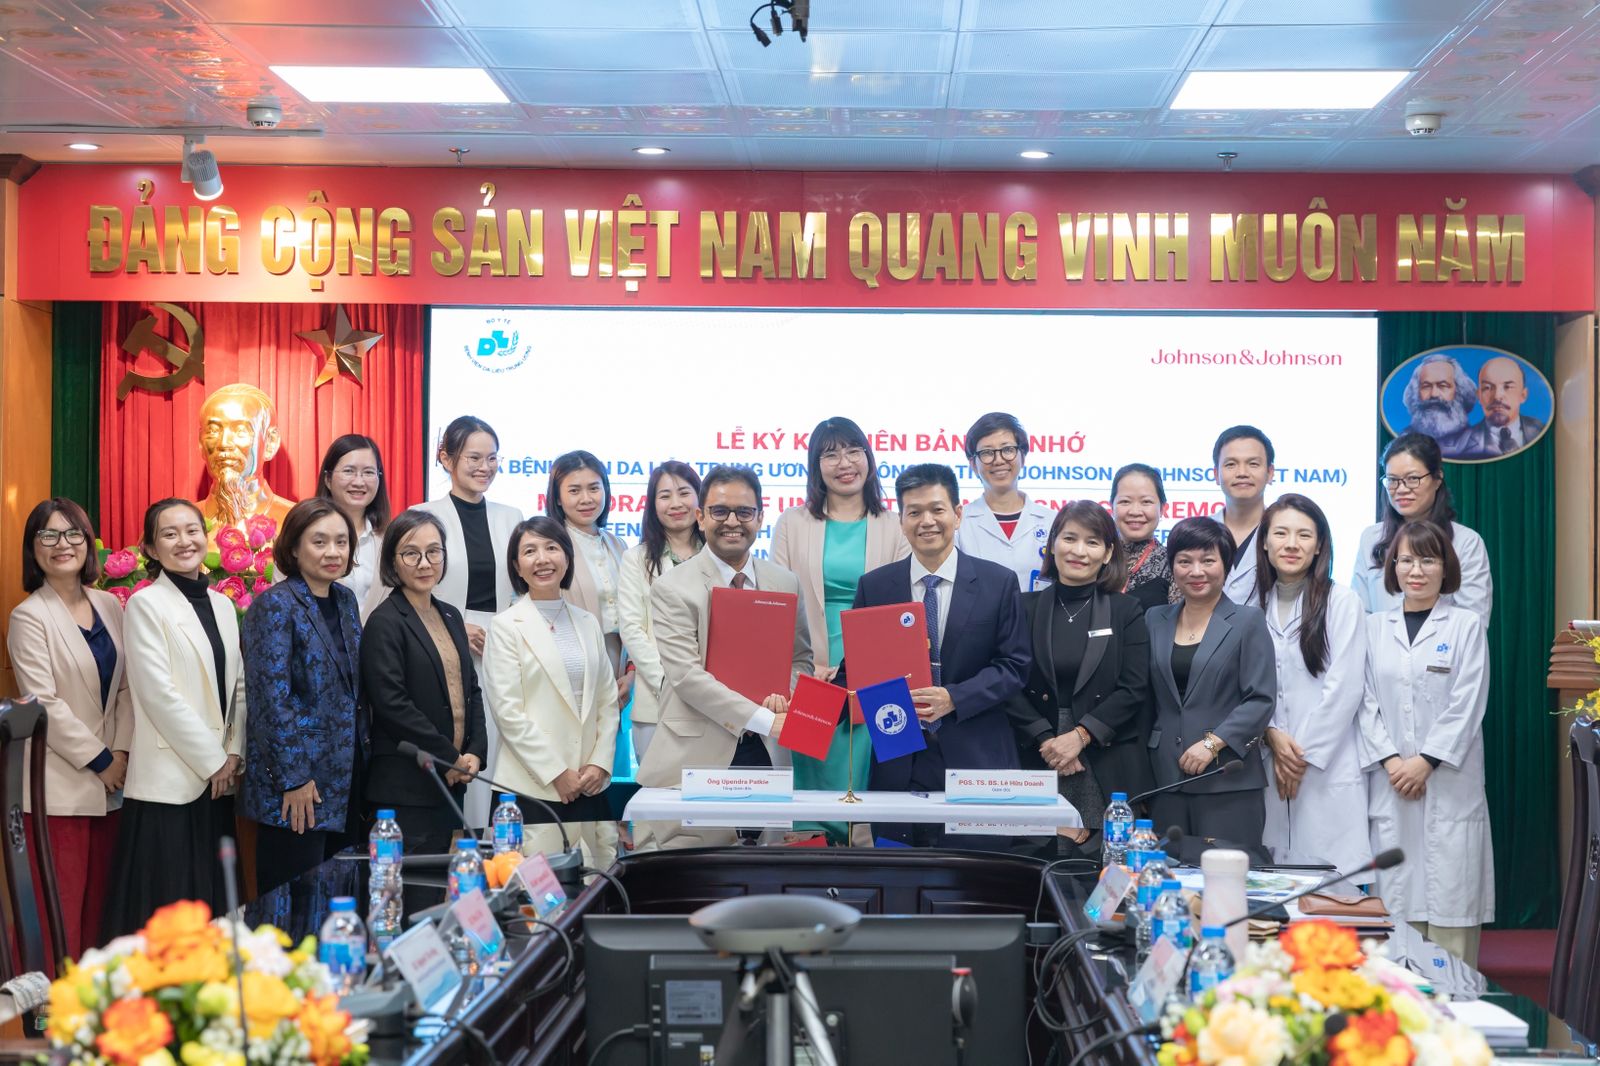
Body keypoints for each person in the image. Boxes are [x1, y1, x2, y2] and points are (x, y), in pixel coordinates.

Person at [840, 464, 1030, 847]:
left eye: (937, 509)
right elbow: (855, 673)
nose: (926, 521)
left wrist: (953, 698)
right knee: (900, 875)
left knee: (977, 874)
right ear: (901, 521)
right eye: (914, 512)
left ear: (957, 514)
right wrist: (812, 702)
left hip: (975, 759)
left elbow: (1014, 667)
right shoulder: (875, 587)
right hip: (898, 760)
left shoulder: (998, 583)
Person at [634, 466, 812, 850]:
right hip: (697, 754)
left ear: (760, 518)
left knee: (764, 872)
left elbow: (801, 659)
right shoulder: (672, 587)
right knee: (698, 874)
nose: (732, 522)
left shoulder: (785, 582)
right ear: (701, 517)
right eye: (720, 511)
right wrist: (765, 718)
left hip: (768, 751)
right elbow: (686, 677)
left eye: (744, 512)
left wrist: (783, 693)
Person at [103, 498, 246, 938]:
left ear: (206, 537)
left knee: (217, 914)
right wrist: (213, 760)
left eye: (191, 530)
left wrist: (234, 752)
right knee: (169, 915)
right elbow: (157, 694)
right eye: (169, 533)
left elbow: (239, 686)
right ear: (150, 547)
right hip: (170, 783)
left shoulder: (223, 605)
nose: (184, 541)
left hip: (219, 781)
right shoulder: (146, 604)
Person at [1358, 519, 1492, 966]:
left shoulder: (1466, 626)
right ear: (1392, 567)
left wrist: (1426, 761)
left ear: (1445, 567)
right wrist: (1392, 761)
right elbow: (1364, 702)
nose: (1416, 570)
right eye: (1406, 560)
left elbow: (1468, 701)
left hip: (1447, 780)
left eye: (1428, 560)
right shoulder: (1374, 628)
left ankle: (1458, 999)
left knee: (1451, 901)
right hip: (1392, 781)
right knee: (1394, 908)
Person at [770, 417, 909, 837]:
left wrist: (858, 669)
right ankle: (811, 865)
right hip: (810, 675)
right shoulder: (792, 523)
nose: (844, 463)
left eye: (853, 450)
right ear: (816, 465)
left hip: (881, 677)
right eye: (830, 454)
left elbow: (905, 604)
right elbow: (778, 602)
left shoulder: (896, 523)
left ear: (869, 457)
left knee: (879, 783)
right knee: (813, 790)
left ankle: (871, 870)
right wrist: (804, 667)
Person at [7, 498, 132, 959]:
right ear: (33, 548)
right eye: (49, 535)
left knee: (102, 916)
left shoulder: (110, 605)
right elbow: (43, 703)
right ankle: (45, 1006)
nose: (63, 544)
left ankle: (94, 1001)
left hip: (113, 787)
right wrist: (101, 760)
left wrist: (121, 754)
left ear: (88, 542)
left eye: (73, 533)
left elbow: (126, 689)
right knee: (55, 917)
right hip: (59, 788)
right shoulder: (28, 617)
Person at [1006, 501, 1152, 857]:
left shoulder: (1126, 610)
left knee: (1101, 866)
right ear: (1053, 543)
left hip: (1103, 754)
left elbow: (1134, 688)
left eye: (1092, 542)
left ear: (1107, 554)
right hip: (1037, 753)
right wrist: (1048, 740)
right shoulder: (1022, 606)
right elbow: (1008, 680)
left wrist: (1080, 736)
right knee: (1032, 865)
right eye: (1070, 538)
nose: (1079, 551)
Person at [361, 509, 487, 912]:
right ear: (392, 561)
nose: (425, 563)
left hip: (451, 781)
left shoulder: (449, 614)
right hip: (407, 786)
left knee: (439, 900)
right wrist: (449, 756)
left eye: (434, 552)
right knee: (407, 905)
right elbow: (392, 704)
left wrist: (475, 752)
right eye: (411, 553)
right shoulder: (385, 621)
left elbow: (471, 689)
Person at [241, 499, 364, 893]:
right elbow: (269, 701)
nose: (333, 552)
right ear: (294, 548)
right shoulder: (275, 605)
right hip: (296, 787)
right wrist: (294, 779)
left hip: (343, 779)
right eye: (319, 541)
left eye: (342, 542)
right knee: (290, 902)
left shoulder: (345, 601)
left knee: (337, 900)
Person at [484, 517, 620, 869]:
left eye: (551, 548)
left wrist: (600, 762)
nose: (542, 559)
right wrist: (557, 772)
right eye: (530, 551)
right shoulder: (505, 626)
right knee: (535, 892)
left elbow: (607, 701)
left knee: (596, 883)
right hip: (533, 787)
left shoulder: (587, 621)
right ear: (517, 566)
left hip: (590, 782)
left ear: (567, 557)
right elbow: (508, 713)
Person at [1254, 495, 1373, 876]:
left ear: (1320, 545)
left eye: (1304, 535)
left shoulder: (1343, 602)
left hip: (1326, 765)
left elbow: (1345, 687)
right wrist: (1272, 735)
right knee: (1272, 885)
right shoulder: (1251, 606)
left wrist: (1299, 757)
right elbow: (1249, 686)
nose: (1292, 544)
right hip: (1269, 761)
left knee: (1330, 887)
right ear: (1265, 542)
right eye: (1281, 533)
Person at [414, 415, 521, 826]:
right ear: (446, 458)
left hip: (504, 644)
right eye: (473, 457)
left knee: (503, 744)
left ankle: (501, 840)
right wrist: (454, 627)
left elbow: (522, 587)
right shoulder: (423, 515)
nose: (484, 467)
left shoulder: (511, 516)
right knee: (462, 740)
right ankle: (461, 838)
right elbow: (411, 588)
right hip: (444, 644)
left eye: (492, 458)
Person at [1144, 517, 1275, 849]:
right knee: (1167, 872)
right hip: (1165, 778)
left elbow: (1260, 698)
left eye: (1208, 560)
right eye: (1184, 561)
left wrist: (1212, 743)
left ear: (1226, 564)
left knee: (1229, 874)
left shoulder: (1248, 621)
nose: (1196, 571)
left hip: (1226, 777)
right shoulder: (1154, 619)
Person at [1352, 432, 1492, 625]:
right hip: (1378, 644)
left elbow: (1473, 622)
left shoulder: (1466, 542)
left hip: (1445, 645)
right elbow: (1359, 614)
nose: (1401, 489)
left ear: (1437, 479)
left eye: (1412, 478)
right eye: (1392, 480)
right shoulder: (1371, 537)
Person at [618, 461, 703, 762]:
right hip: (657, 700)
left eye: (684, 493)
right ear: (653, 505)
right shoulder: (635, 559)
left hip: (714, 702)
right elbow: (631, 628)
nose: (676, 503)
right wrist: (669, 684)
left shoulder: (718, 556)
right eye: (665, 496)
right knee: (659, 790)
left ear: (700, 499)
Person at [548, 451, 630, 704]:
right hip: (566, 664)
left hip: (617, 661)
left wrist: (631, 672)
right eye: (574, 491)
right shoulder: (548, 545)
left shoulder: (618, 545)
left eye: (594, 488)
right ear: (558, 497)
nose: (586, 499)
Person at [954, 412, 1053, 592]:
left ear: (1023, 457)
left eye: (1007, 450)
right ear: (973, 464)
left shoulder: (1052, 521)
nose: (999, 460)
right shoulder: (958, 525)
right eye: (987, 453)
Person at [196, 383, 295, 539]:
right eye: (213, 431)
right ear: (201, 443)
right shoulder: (178, 524)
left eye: (240, 431)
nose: (224, 443)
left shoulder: (297, 523)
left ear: (270, 442)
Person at [315, 434, 390, 610]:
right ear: (328, 479)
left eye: (368, 472)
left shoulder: (391, 540)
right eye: (349, 471)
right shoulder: (303, 535)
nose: (359, 482)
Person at [1212, 425, 1275, 604]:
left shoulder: (1284, 534)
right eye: (1231, 464)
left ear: (1270, 473)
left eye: (1253, 464)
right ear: (1216, 474)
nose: (1242, 473)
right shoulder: (1197, 533)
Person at [1110, 463, 1176, 612]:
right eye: (1125, 501)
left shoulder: (1174, 564)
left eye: (1146, 502)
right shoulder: (1094, 557)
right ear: (1112, 507)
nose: (1135, 511)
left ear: (1162, 509)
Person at [1455, 355, 1545, 459]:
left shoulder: (1542, 431)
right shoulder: (1461, 443)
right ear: (1479, 396)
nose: (1497, 396)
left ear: (1523, 395)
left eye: (1508, 387)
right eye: (1487, 387)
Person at [1400, 353, 1477, 456]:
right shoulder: (1404, 440)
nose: (1434, 394)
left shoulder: (1478, 441)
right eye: (1426, 386)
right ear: (1416, 393)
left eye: (1443, 386)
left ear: (1460, 391)